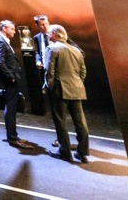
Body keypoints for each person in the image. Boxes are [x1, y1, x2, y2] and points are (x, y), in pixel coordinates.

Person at [45, 24, 90, 163]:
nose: (47, 35)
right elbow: (83, 72)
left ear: (55, 33)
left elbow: (49, 72)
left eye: (49, 32)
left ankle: (65, 152)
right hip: (76, 89)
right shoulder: (76, 51)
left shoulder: (52, 48)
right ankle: (82, 153)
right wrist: (77, 84)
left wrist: (50, 87)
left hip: (60, 90)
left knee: (60, 122)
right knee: (80, 122)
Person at [0, 20, 33, 149]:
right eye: (12, 29)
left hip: (11, 80)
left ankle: (12, 135)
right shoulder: (0, 41)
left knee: (11, 108)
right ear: (4, 28)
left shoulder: (3, 41)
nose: (14, 31)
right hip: (10, 81)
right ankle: (12, 137)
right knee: (10, 109)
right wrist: (11, 76)